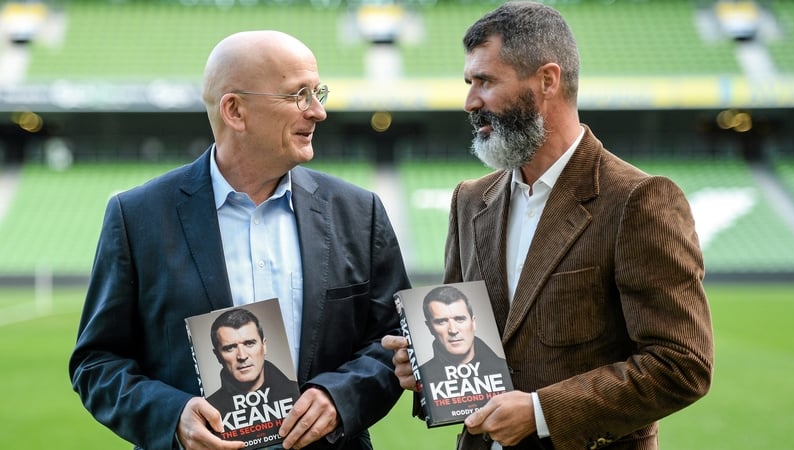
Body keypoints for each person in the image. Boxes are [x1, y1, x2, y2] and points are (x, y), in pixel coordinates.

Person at [382, 2, 714, 449]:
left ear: (547, 80)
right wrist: (428, 373)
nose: (470, 102)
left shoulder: (638, 199)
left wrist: (541, 413)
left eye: (485, 81)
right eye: (469, 83)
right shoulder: (469, 199)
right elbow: (468, 352)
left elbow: (682, 365)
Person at [69, 30, 410, 450]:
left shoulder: (359, 212)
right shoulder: (137, 216)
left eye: (317, 92)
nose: (318, 111)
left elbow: (394, 340)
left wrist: (338, 397)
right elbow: (96, 362)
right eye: (299, 95)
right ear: (235, 110)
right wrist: (172, 416)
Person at [206, 308, 299, 434]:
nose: (242, 356)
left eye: (249, 343)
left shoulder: (298, 394)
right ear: (217, 355)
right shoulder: (209, 409)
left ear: (264, 346)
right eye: (230, 348)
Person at [419, 285, 510, 383]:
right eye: (441, 322)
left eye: (460, 319)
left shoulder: (503, 368)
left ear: (473, 322)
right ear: (429, 327)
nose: (453, 330)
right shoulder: (423, 376)